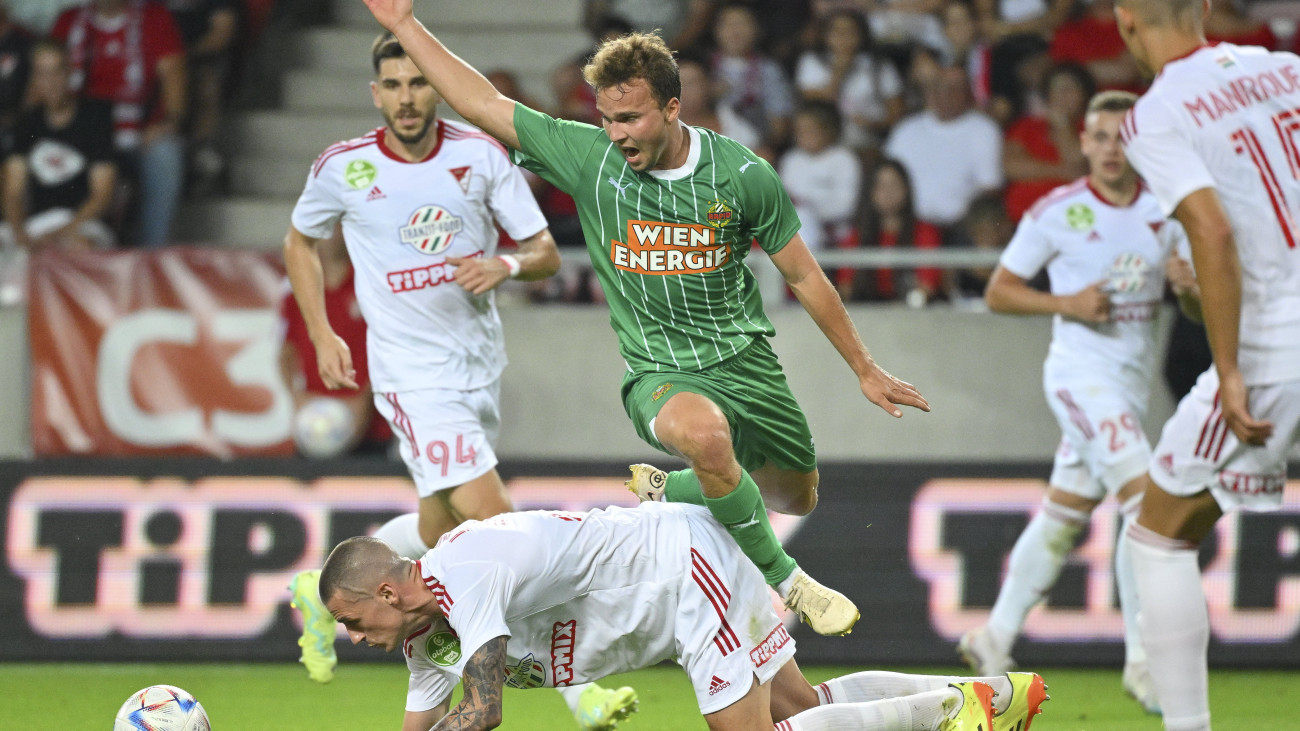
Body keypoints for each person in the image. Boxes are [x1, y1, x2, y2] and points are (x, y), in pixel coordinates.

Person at [360, 0, 931, 639]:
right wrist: (406, 26)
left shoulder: (742, 177)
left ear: (672, 107)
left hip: (748, 365)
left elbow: (803, 275)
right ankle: (790, 581)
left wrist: (865, 367)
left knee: (796, 495)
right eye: (606, 118)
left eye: (630, 117)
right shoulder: (591, 158)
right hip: (658, 373)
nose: (617, 133)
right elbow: (486, 105)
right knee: (708, 437)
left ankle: (674, 489)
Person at [282, 33, 636, 730]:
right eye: (392, 85)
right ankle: (578, 687)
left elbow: (542, 254)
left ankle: (312, 587)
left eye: (418, 83)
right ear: (374, 93)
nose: (407, 98)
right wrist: (323, 330)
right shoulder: (343, 167)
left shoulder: (479, 156)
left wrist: (504, 266)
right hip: (411, 379)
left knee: (441, 532)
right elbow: (300, 239)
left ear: (435, 87)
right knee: (494, 524)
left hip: (477, 371)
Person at [320, 502, 1049, 730]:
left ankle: (954, 712)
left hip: (680, 569)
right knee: (801, 705)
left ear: (386, 593)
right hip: (673, 591)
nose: (354, 640)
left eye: (351, 622)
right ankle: (992, 700)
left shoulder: (462, 569)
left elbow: (481, 715)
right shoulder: (424, 643)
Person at [959, 90, 1198, 716]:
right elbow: (1000, 292)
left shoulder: (1169, 213)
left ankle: (994, 637)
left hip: (1127, 387)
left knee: (1065, 518)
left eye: (1122, 138)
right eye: (1099, 137)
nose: (1110, 149)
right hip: (1077, 378)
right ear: (1084, 143)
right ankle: (1144, 660)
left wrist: (1189, 289)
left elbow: (1197, 308)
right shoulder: (1056, 213)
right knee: (1149, 503)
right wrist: (1066, 303)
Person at [1113, 1, 1300, 729]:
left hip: (1276, 344)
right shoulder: (1285, 68)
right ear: (1206, 9)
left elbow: (1212, 230)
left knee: (1158, 532)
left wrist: (1227, 367)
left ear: (1128, 20)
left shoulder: (1156, 114)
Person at [51, 0, 188, 249]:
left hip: (137, 134)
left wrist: (169, 120)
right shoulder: (69, 20)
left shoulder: (154, 17)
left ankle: (152, 253)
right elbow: (45, 80)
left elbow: (173, 76)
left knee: (165, 154)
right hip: (81, 134)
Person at [277, 225, 392, 456]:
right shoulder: (296, 292)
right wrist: (297, 397)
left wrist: (366, 400)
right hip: (314, 420)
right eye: (327, 227)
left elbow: (391, 350)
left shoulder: (374, 287)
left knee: (372, 490)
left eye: (340, 226)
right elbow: (286, 353)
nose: (332, 235)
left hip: (370, 425)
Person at [2, 40, 118, 252]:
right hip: (34, 225)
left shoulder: (96, 116)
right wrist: (20, 234)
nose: (51, 82)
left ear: (70, 73)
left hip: (82, 224)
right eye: (43, 74)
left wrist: (57, 235)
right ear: (34, 78)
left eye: (57, 72)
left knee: (79, 247)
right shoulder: (26, 123)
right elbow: (12, 192)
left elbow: (102, 195)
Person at [835, 158, 942, 304]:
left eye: (894, 185)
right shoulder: (856, 235)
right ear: (871, 192)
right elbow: (845, 287)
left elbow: (927, 286)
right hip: (866, 313)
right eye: (881, 186)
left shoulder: (926, 232)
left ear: (907, 189)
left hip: (912, 314)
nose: (888, 193)